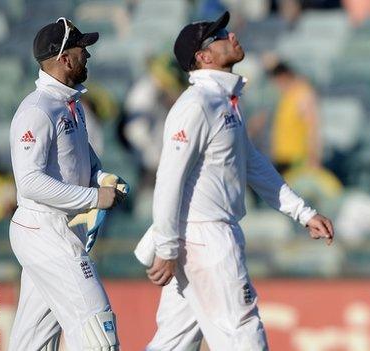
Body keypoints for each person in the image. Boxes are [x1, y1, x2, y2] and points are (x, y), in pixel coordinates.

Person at [137, 11, 334, 351]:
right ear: (204, 57)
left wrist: (303, 213)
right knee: (242, 331)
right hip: (205, 238)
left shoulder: (223, 102)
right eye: (221, 35)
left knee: (173, 342)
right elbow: (168, 178)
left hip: (199, 237)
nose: (231, 36)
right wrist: (167, 248)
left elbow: (252, 164)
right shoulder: (197, 105)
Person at [8, 18, 126, 350]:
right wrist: (93, 197)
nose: (87, 55)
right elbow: (29, 182)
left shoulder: (70, 105)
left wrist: (103, 179)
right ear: (64, 59)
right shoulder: (37, 110)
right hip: (43, 230)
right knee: (98, 332)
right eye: (81, 49)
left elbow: (84, 162)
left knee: (33, 341)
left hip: (57, 229)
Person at [268, 61, 322, 174]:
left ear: (283, 77)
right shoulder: (287, 96)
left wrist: (313, 158)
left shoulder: (303, 95)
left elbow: (312, 128)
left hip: (298, 159)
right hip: (283, 158)